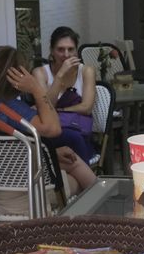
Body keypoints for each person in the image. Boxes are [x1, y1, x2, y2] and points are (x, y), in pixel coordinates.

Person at [0, 45, 96, 194]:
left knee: (64, 160)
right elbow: (54, 129)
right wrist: (36, 89)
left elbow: (7, 151)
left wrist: (52, 152)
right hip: (24, 193)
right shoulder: (11, 108)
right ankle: (104, 209)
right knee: (76, 172)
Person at [36, 25, 99, 161]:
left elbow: (86, 108)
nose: (66, 55)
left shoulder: (86, 71)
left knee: (75, 140)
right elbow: (46, 106)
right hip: (51, 134)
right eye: (60, 49)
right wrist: (59, 76)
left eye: (70, 49)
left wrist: (61, 109)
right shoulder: (40, 73)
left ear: (76, 51)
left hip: (79, 131)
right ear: (52, 51)